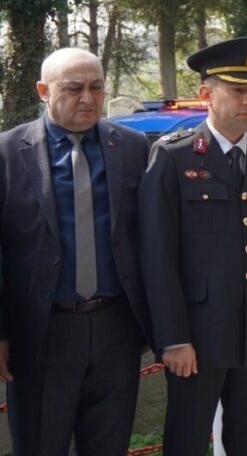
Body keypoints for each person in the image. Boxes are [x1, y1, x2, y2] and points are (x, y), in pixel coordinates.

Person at [140, 37, 247, 456]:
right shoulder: (174, 158)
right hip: (198, 335)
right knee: (188, 440)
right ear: (206, 94)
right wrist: (173, 338)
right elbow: (157, 257)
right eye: (237, 90)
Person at [0, 48, 152, 456]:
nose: (88, 98)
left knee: (109, 445)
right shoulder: (7, 154)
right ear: (43, 91)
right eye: (73, 88)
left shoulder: (134, 149)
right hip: (42, 333)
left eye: (96, 87)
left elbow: (153, 240)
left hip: (117, 329)